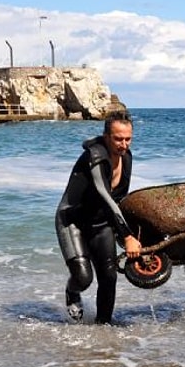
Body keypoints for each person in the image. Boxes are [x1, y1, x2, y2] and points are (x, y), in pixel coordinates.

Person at [54, 110, 141, 324]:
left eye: (128, 139)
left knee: (109, 277)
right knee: (84, 278)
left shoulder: (126, 158)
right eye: (118, 139)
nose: (123, 144)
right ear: (106, 136)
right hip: (72, 222)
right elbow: (105, 196)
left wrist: (136, 234)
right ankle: (72, 291)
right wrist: (127, 236)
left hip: (101, 224)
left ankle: (104, 328)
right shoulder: (95, 157)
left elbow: (121, 200)